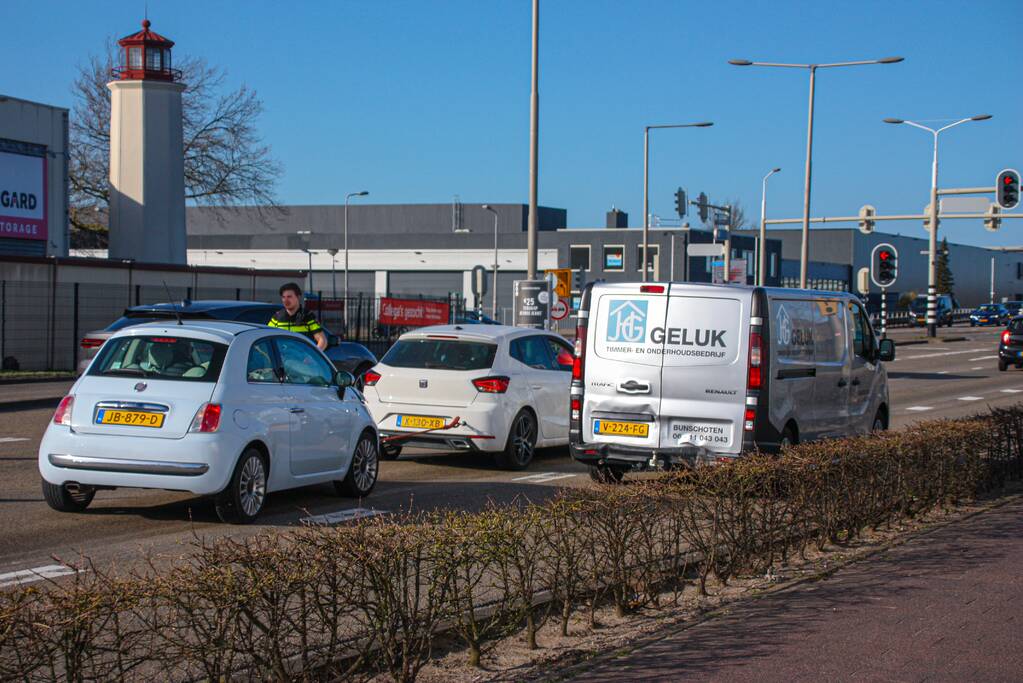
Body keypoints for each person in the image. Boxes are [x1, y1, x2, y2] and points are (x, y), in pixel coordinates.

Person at [269, 282, 328, 350]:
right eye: (283, 297)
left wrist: (311, 356)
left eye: (289, 297)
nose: (285, 300)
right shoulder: (277, 317)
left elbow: (322, 341)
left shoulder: (308, 316)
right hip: (282, 356)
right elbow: (266, 339)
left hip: (302, 356)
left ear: (298, 297)